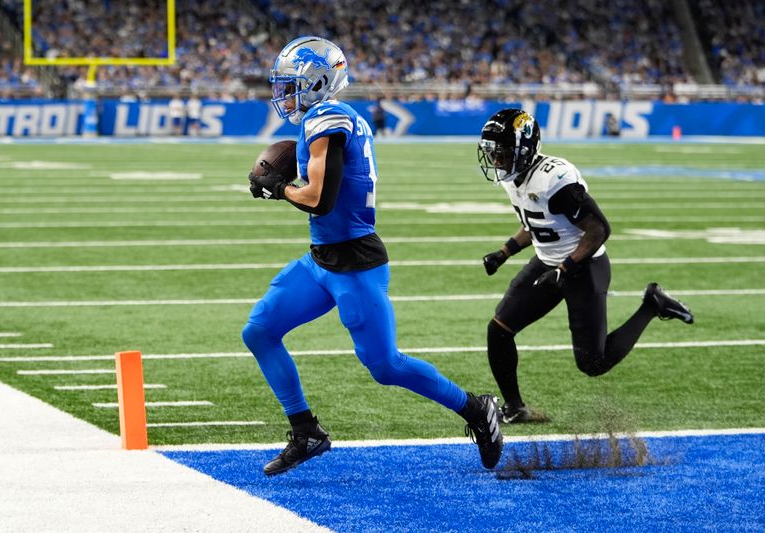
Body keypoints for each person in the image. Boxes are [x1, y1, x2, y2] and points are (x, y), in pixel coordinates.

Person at [244, 36, 503, 476]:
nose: (284, 93)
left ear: (319, 81)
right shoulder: (327, 118)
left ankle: (477, 409)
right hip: (322, 258)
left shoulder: (326, 117)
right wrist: (284, 188)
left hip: (355, 263)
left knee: (385, 365)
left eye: (292, 84)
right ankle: (306, 431)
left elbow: (319, 199)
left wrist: (278, 186)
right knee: (260, 331)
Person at [477, 108, 694, 424]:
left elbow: (599, 229)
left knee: (593, 362)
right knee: (499, 331)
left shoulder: (554, 180)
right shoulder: (515, 178)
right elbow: (537, 222)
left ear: (523, 149)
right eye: (492, 152)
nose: (496, 160)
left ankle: (652, 304)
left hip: (584, 266)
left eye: (503, 152)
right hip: (549, 263)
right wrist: (505, 251)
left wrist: (564, 269)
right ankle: (515, 407)